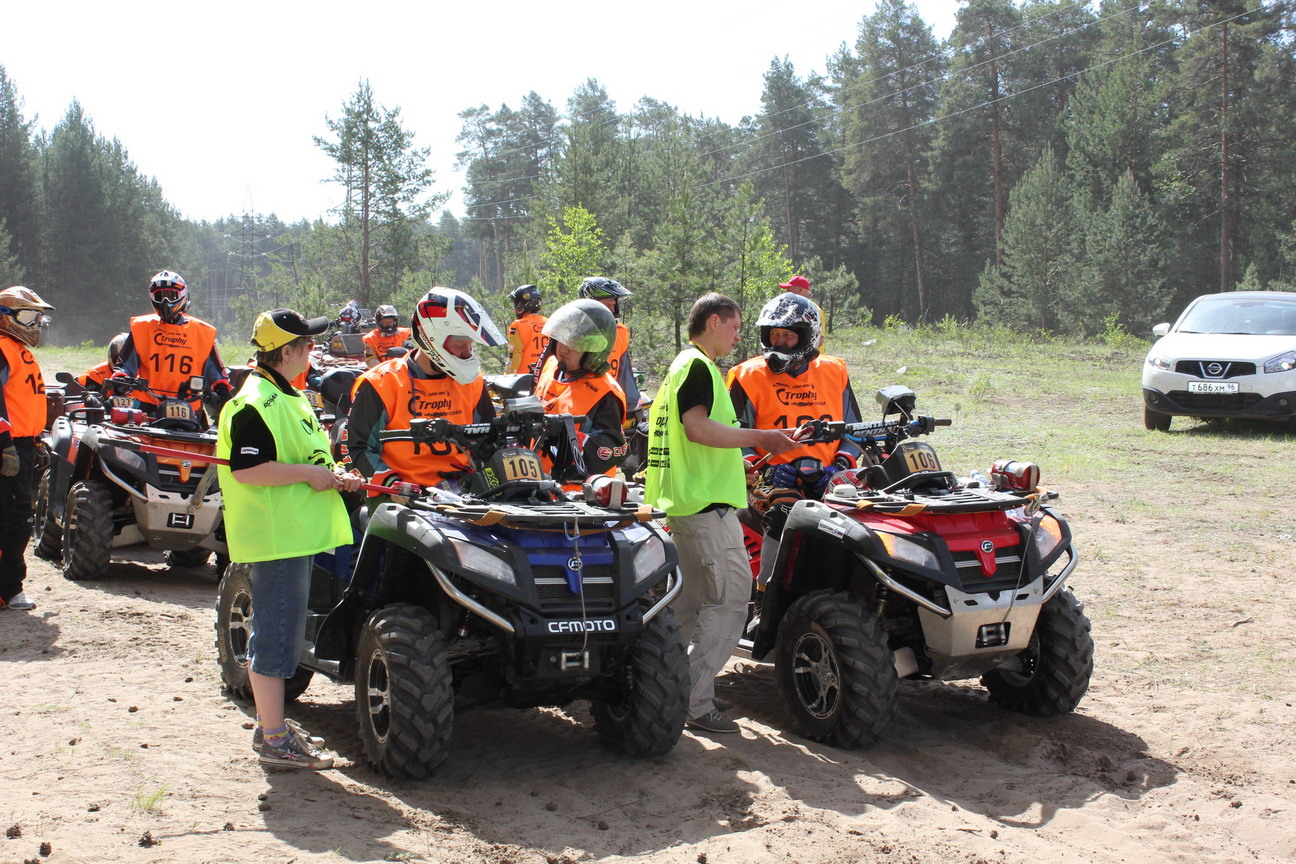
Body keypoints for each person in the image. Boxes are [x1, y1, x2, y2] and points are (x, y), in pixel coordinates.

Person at [216, 308, 364, 769]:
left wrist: (334, 475)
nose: (312, 350)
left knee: (281, 632)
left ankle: (274, 729)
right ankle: (274, 737)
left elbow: (305, 459)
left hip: (295, 536)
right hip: (276, 539)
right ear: (287, 352)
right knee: (277, 637)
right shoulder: (255, 401)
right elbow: (248, 468)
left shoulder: (289, 396)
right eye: (306, 344)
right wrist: (309, 475)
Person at [644, 293, 798, 734]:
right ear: (714, 321)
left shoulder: (681, 367)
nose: (738, 335)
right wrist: (762, 437)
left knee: (689, 609)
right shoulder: (697, 367)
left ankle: (660, 688)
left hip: (686, 504)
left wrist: (750, 451)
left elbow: (693, 437)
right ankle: (693, 700)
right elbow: (697, 428)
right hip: (704, 508)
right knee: (731, 602)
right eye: (734, 326)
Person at [727, 293, 863, 583]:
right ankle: (768, 599)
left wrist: (839, 468)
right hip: (767, 477)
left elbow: (854, 431)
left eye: (787, 335)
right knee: (784, 509)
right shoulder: (745, 375)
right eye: (774, 334)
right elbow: (733, 437)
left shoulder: (834, 371)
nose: (778, 343)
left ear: (807, 337)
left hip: (829, 475)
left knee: (864, 515)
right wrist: (763, 469)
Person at [347, 287, 501, 492]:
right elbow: (358, 448)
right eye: (459, 345)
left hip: (463, 492)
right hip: (402, 494)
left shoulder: (472, 382)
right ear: (432, 339)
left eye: (470, 345)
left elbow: (489, 441)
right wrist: (393, 486)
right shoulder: (381, 383)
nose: (467, 353)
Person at [532, 299, 627, 489]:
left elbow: (612, 447)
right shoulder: (550, 368)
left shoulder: (604, 392)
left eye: (575, 343)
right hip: (536, 485)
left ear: (594, 350)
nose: (564, 347)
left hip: (577, 500)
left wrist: (563, 437)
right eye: (563, 337)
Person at [0, 286, 54, 612]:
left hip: (23, 443)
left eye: (38, 316)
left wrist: (34, 441)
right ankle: (9, 588)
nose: (35, 322)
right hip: (8, 445)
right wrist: (5, 443)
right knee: (17, 517)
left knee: (14, 515)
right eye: (27, 315)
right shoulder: (2, 349)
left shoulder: (18, 349)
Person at [113, 270, 231, 415]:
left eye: (171, 296)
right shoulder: (142, 328)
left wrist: (221, 388)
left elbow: (217, 372)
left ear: (182, 295)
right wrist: (121, 378)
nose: (165, 301)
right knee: (131, 435)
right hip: (147, 404)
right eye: (160, 296)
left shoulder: (202, 332)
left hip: (189, 406)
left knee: (209, 435)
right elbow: (125, 364)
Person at [578, 277, 642, 414]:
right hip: (581, 402)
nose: (612, 311)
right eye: (608, 306)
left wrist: (634, 407)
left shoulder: (621, 331)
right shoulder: (576, 331)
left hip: (609, 401)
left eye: (614, 305)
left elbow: (624, 372)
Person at [505, 284, 547, 375]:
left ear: (522, 304)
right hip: (545, 377)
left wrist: (506, 377)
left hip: (523, 381)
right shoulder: (549, 322)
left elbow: (515, 355)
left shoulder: (518, 325)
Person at [779, 275, 825, 347]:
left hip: (811, 357)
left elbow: (820, 341)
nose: (786, 293)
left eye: (789, 290)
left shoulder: (815, 310)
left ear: (799, 290)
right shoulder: (789, 310)